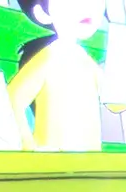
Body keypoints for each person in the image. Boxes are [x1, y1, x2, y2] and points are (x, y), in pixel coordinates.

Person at [7, 0, 107, 152]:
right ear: (42, 13)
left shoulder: (85, 60)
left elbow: (112, 99)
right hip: (55, 161)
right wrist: (27, 145)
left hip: (90, 162)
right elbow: (12, 99)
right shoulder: (48, 57)